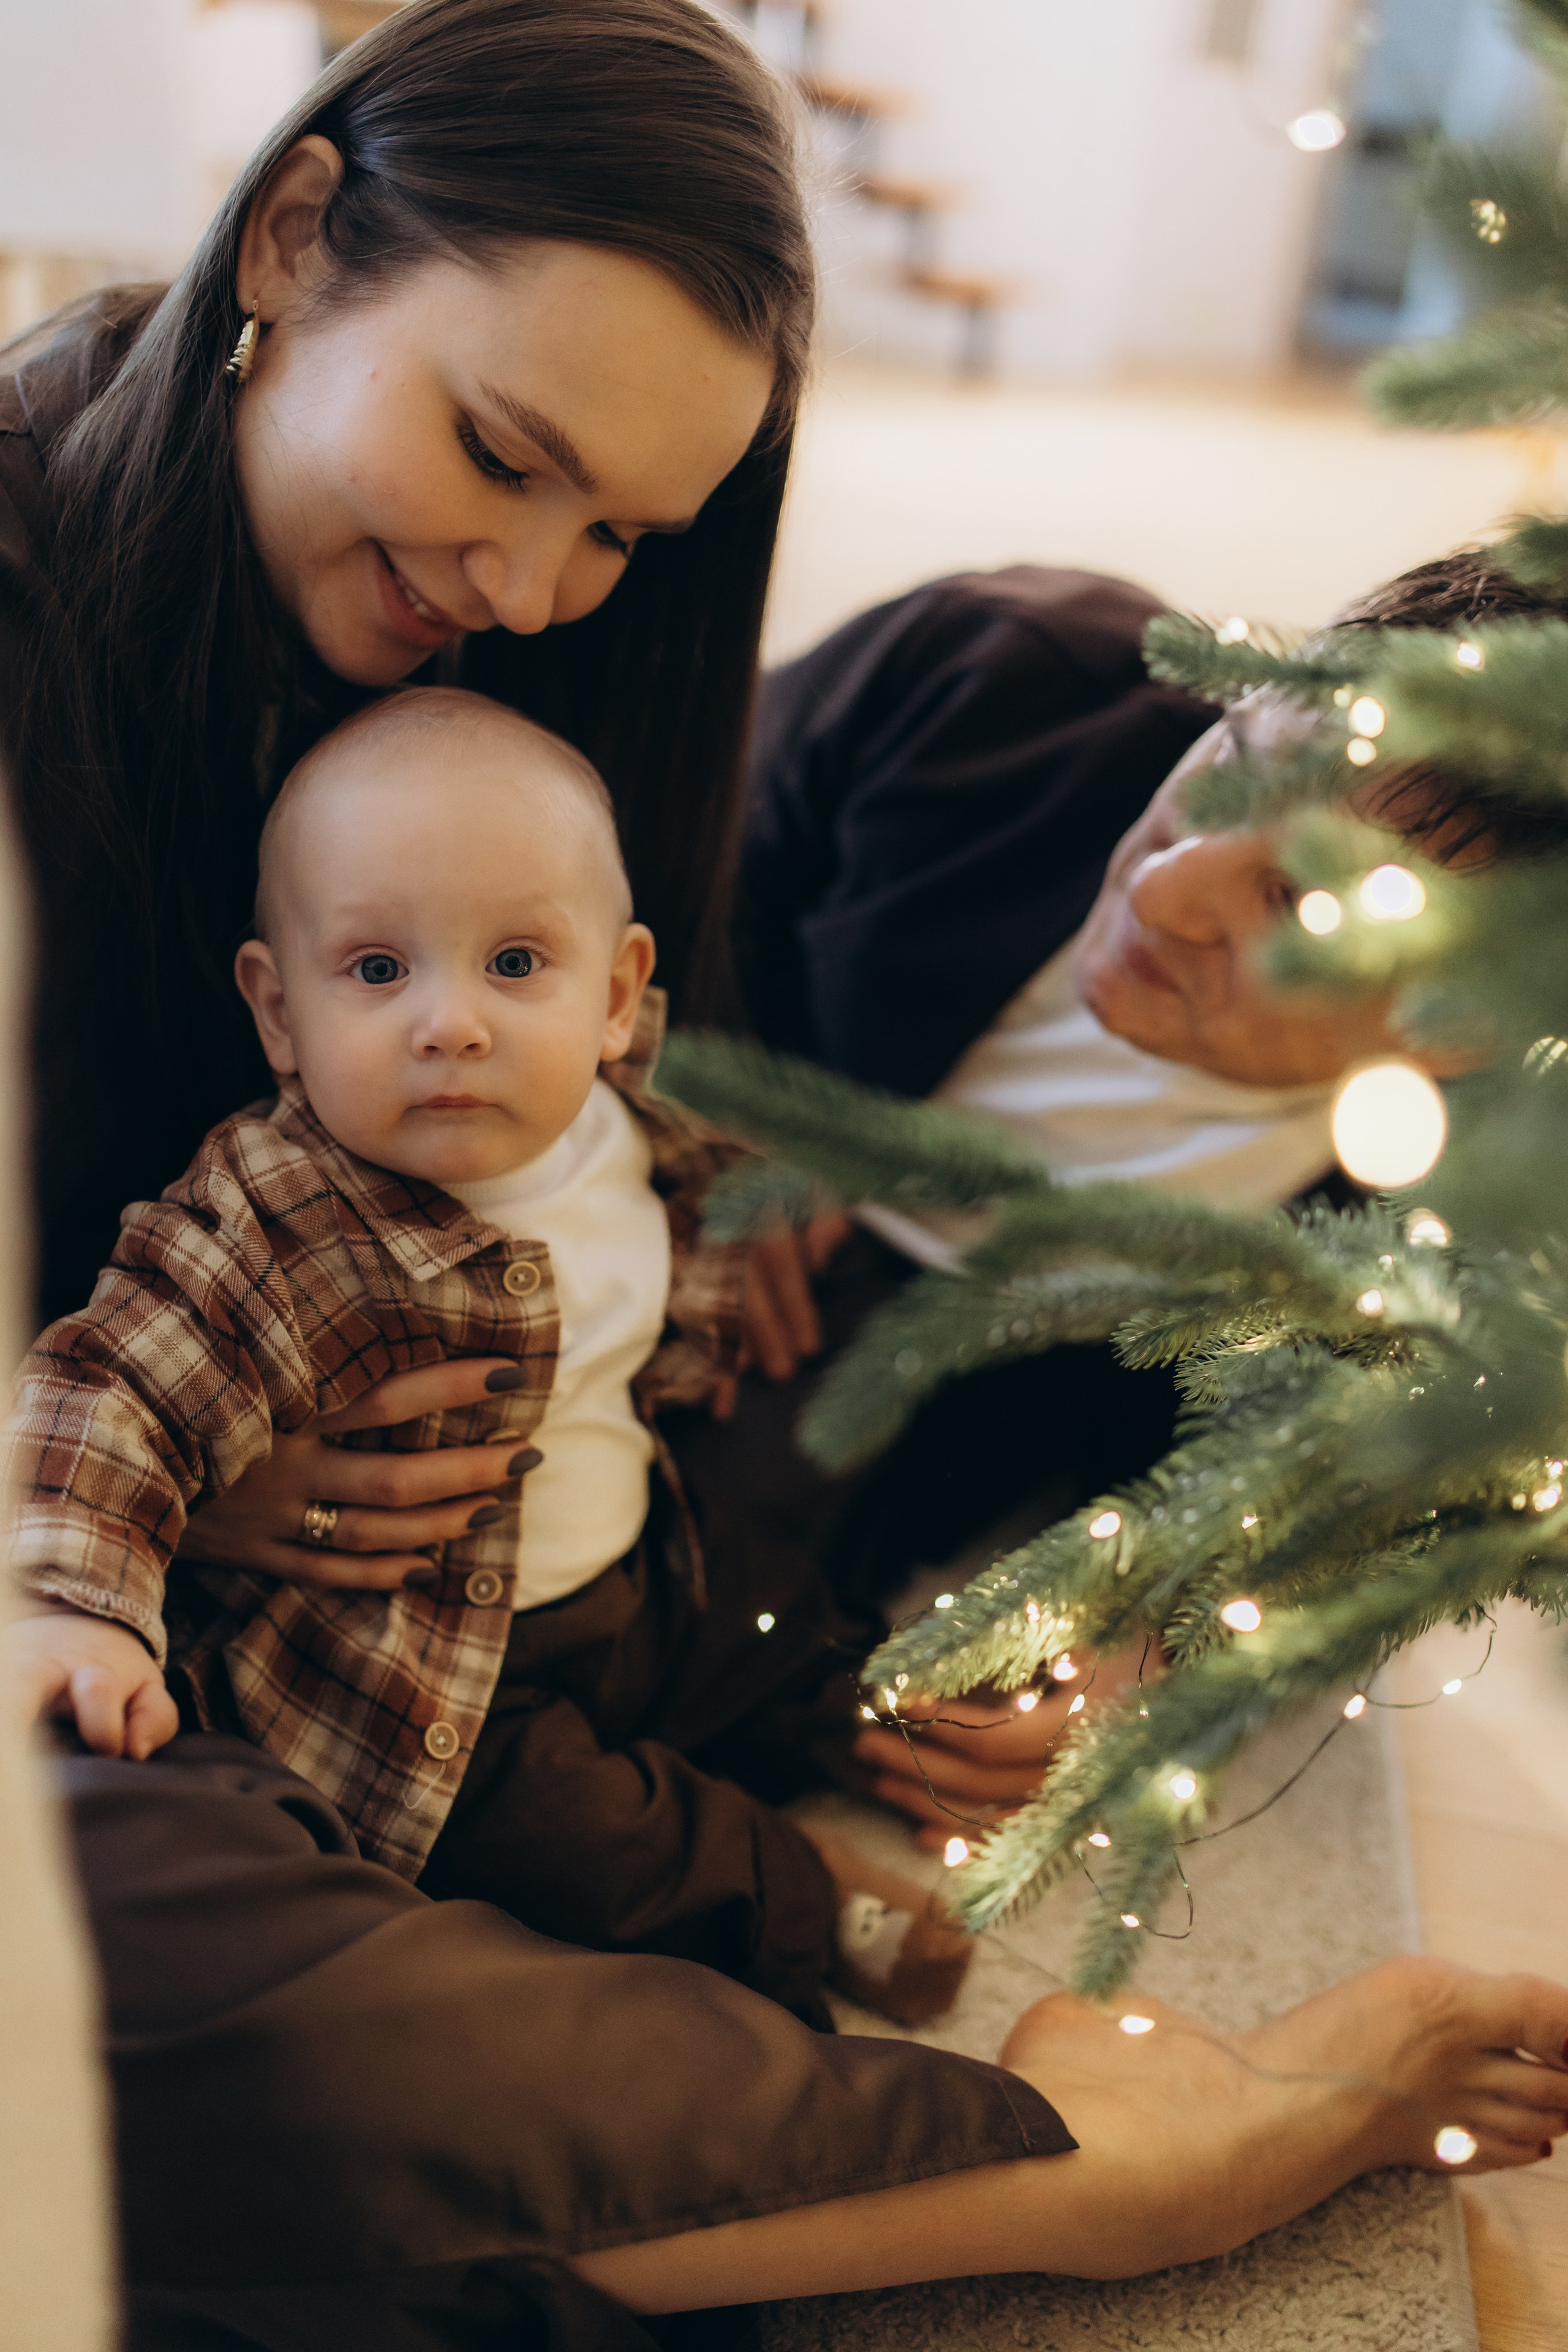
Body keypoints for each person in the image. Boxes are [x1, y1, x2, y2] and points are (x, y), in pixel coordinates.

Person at [0, 8, 1562, 2338]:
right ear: (299, 235)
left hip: (543, 1525)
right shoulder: (980, 695)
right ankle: (1078, 2170)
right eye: (500, 453)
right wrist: (131, 1500)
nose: (535, 589)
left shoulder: (496, 713)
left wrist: (1113, 1637)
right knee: (112, 1959)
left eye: (623, 529)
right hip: (120, 1520)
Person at [9, 686, 972, 2029]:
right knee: (582, 1854)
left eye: (516, 966)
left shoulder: (631, 1124)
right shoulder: (273, 1218)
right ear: (279, 1012)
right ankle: (795, 1886)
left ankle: (891, 1722)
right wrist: (77, 1607)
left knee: (780, 1617)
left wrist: (781, 1206)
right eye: (378, 970)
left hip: (648, 1562)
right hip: (443, 1682)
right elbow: (106, 1391)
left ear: (619, 996)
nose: (450, 1024)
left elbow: (718, 1184)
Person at [709, 549, 1568, 1847]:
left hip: (992, 1397)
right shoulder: (989, 682)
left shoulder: (1461, 1224)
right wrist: (729, 1106)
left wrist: (1162, 1659)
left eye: (1298, 898)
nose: (1159, 887)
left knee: (757, 1655)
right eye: (1230, 763)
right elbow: (662, 852)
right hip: (714, 1193)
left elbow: (1388, 1512)